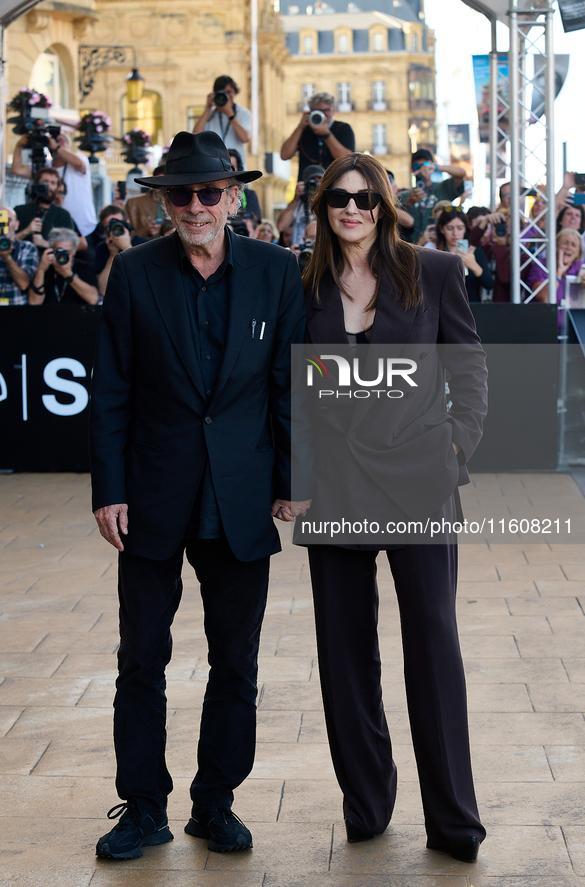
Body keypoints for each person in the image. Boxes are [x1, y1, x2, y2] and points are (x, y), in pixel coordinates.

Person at [89, 130, 308, 861]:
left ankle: (215, 801)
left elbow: (288, 382)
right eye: (179, 194)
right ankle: (143, 806)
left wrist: (293, 477)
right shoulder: (135, 273)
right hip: (151, 492)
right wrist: (108, 490)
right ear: (163, 203)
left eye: (208, 192)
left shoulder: (278, 272)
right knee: (140, 659)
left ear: (234, 196)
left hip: (239, 493)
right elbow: (112, 390)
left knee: (234, 662)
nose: (194, 206)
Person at [298, 153, 487, 861]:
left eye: (365, 198)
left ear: (384, 205)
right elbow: (289, 386)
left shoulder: (432, 271)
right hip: (336, 485)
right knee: (344, 659)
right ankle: (367, 806)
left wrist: (457, 448)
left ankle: (454, 822)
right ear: (323, 208)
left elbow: (468, 369)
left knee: (433, 648)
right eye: (339, 199)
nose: (352, 209)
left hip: (418, 481)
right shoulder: (302, 279)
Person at [12, 131, 98, 237]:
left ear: (68, 145)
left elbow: (79, 163)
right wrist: (19, 145)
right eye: (52, 141)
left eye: (60, 140)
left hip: (84, 228)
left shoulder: (80, 158)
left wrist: (56, 147)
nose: (55, 143)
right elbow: (17, 169)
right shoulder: (45, 166)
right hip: (56, 227)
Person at [280, 92, 355, 181]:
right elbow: (284, 155)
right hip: (307, 188)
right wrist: (300, 127)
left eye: (325, 110)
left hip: (333, 186)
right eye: (317, 111)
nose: (321, 114)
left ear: (333, 110)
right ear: (310, 112)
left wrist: (326, 134)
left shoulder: (343, 128)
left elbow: (347, 159)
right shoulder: (305, 130)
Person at [398, 149, 466, 243]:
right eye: (417, 166)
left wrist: (437, 167)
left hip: (439, 246)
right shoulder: (404, 195)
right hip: (412, 246)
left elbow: (461, 173)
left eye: (426, 165)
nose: (422, 169)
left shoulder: (442, 188)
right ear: (412, 169)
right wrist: (410, 202)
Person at [28, 227, 99, 305]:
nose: (63, 256)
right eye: (60, 251)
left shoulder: (84, 267)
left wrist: (67, 274)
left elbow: (93, 299)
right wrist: (41, 270)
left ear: (74, 251)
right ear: (52, 250)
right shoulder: (46, 268)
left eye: (67, 252)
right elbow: (34, 302)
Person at [192, 75, 251, 169]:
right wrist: (208, 108)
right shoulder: (210, 114)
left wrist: (229, 114)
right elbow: (195, 135)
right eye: (221, 93)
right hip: (214, 166)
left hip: (236, 166)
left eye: (229, 92)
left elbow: (245, 138)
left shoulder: (242, 112)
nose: (226, 96)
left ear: (235, 92)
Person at [435, 208, 493, 302]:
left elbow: (489, 284)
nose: (455, 233)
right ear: (442, 229)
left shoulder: (475, 252)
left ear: (465, 229)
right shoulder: (435, 253)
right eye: (450, 228)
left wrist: (473, 265)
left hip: (472, 308)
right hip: (442, 309)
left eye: (460, 228)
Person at [14, 167, 76, 250]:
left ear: (57, 188)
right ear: (37, 184)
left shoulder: (63, 215)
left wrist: (44, 243)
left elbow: (69, 248)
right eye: (45, 182)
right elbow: (7, 242)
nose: (49, 186)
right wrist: (26, 231)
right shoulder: (20, 211)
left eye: (53, 183)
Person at [94, 205, 148, 298]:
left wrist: (127, 247)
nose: (115, 229)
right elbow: (103, 290)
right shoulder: (102, 248)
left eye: (118, 224)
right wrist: (112, 255)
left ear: (127, 223)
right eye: (109, 227)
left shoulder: (143, 244)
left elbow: (146, 281)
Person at [527, 227, 585, 305]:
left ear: (578, 252)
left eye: (573, 245)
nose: (569, 247)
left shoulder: (581, 267)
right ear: (556, 247)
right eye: (565, 243)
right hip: (545, 316)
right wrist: (559, 273)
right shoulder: (541, 265)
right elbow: (544, 297)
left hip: (572, 317)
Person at [277, 164, 324, 248]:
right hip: (299, 253)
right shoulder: (298, 204)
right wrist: (296, 199)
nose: (316, 187)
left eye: (319, 183)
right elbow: (281, 227)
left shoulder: (329, 205)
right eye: (312, 183)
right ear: (304, 185)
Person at [0, 206, 39, 305]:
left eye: (8, 221)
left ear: (16, 225)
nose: (4, 225)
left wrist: (7, 257)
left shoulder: (27, 247)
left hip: (16, 312)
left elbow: (24, 284)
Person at [125, 165, 166, 238]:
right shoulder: (134, 203)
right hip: (145, 246)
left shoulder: (178, 204)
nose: (162, 185)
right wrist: (146, 231)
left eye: (165, 181)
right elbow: (124, 234)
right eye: (159, 180)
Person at [228, 149, 261, 222]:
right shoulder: (215, 193)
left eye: (232, 167)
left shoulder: (249, 195)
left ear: (239, 169)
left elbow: (254, 219)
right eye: (226, 167)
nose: (229, 171)